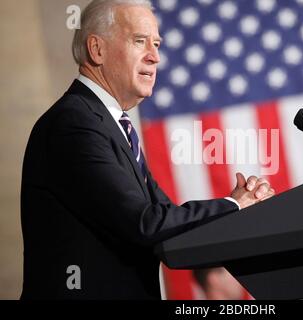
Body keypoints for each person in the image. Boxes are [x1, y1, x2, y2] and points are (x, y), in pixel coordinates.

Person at [20, 0, 274, 300]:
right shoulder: (74, 124)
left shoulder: (112, 125)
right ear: (96, 49)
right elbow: (144, 223)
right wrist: (233, 204)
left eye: (156, 44)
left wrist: (241, 210)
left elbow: (167, 228)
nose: (154, 57)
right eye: (139, 41)